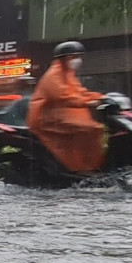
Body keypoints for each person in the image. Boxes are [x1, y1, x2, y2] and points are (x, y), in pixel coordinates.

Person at [29, 41, 109, 175]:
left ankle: (89, 166)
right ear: (63, 58)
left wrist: (100, 97)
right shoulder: (53, 75)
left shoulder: (68, 74)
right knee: (89, 130)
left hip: (63, 116)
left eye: (78, 56)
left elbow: (79, 91)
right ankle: (81, 168)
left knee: (94, 129)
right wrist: (87, 102)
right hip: (48, 119)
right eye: (73, 57)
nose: (77, 60)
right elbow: (61, 96)